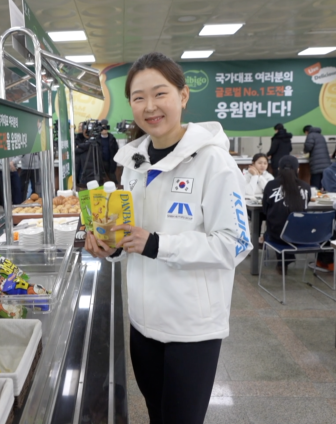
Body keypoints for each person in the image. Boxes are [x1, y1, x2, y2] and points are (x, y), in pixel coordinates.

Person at [84, 52, 251, 424]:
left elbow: (234, 243)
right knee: (156, 415)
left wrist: (157, 244)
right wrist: (110, 246)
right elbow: (133, 234)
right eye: (139, 97)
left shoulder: (213, 162)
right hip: (143, 323)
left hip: (192, 329)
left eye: (160, 94)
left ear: (183, 95)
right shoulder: (133, 163)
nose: (150, 106)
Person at [262, 156, 312, 265]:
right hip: (301, 235)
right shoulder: (306, 187)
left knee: (277, 223)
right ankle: (286, 259)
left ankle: (283, 261)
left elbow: (265, 210)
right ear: (298, 170)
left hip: (277, 236)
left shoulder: (271, 185)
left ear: (279, 169)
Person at [303, 125, 331, 189]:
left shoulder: (310, 135)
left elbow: (308, 147)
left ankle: (315, 194)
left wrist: (305, 151)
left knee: (315, 185)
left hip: (316, 164)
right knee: (324, 185)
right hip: (326, 164)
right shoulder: (321, 136)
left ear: (307, 132)